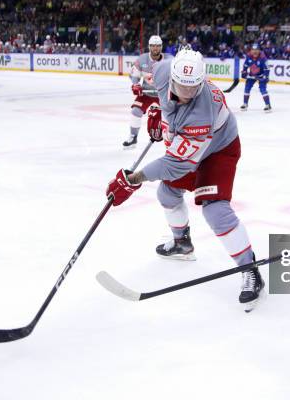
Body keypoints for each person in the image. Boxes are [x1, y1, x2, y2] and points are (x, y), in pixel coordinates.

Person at [105, 48, 264, 312]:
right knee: (167, 194)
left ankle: (250, 269)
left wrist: (134, 179)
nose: (187, 94)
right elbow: (150, 87)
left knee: (215, 210)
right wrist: (159, 112)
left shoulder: (201, 113)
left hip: (219, 149)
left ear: (202, 82)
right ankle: (182, 242)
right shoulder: (163, 69)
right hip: (191, 146)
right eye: (181, 86)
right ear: (173, 76)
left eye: (193, 88)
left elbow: (174, 164)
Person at [122, 35, 170, 149]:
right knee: (135, 111)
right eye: (153, 46)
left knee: (171, 116)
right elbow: (134, 75)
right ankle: (133, 137)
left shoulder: (169, 59)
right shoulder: (142, 59)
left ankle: (172, 140)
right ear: (149, 46)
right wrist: (135, 85)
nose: (155, 48)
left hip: (163, 94)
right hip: (146, 94)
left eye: (158, 46)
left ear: (161, 47)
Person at [240, 44, 271, 112]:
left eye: (256, 50)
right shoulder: (248, 56)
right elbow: (245, 65)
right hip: (251, 75)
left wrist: (266, 76)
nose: (255, 52)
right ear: (251, 51)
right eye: (253, 50)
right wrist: (244, 72)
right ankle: (245, 104)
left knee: (262, 89)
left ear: (259, 50)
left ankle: (268, 105)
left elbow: (267, 68)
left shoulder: (263, 58)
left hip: (261, 76)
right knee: (247, 88)